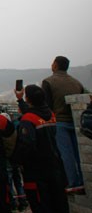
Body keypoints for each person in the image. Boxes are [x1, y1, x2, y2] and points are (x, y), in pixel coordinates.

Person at [13, 85, 69, 213]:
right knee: (59, 203)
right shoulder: (50, 114)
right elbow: (35, 114)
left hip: (36, 171)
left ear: (29, 99)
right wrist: (21, 100)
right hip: (55, 167)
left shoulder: (28, 120)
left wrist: (16, 160)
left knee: (41, 205)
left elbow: (26, 144)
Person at [41, 55, 85, 190]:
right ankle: (84, 181)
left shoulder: (48, 81)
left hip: (59, 122)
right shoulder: (77, 83)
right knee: (79, 154)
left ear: (55, 65)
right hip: (77, 122)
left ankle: (73, 183)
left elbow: (46, 105)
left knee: (65, 154)